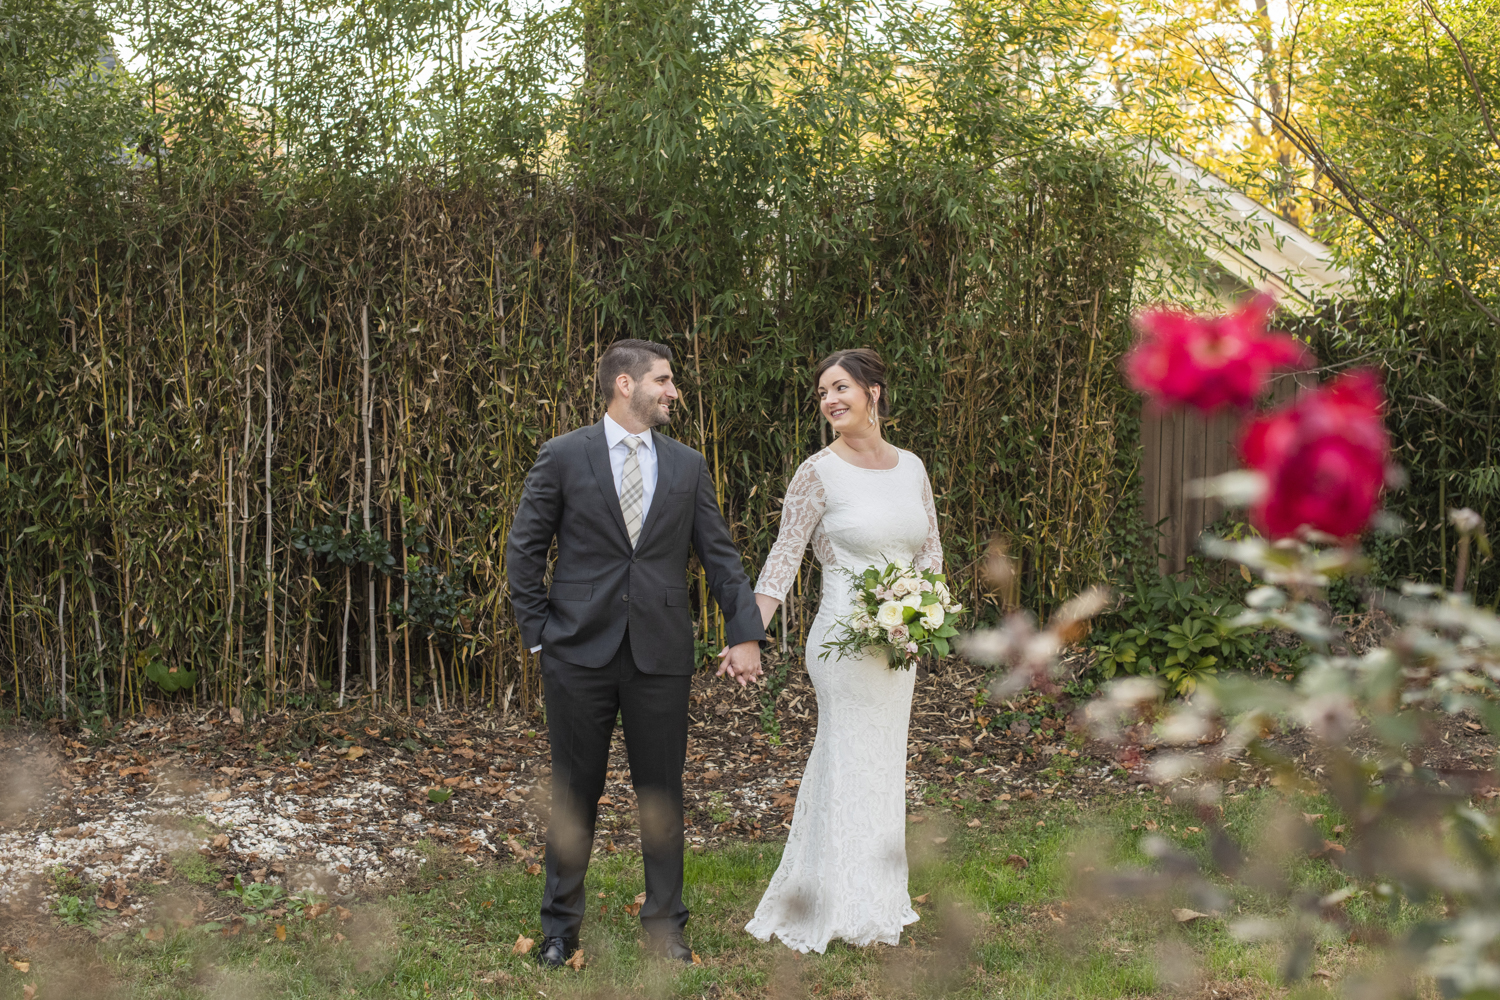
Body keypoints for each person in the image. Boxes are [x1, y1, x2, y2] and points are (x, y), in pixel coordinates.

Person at [505, 338, 765, 967]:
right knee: (573, 794)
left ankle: (666, 928)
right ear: (626, 384)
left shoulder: (687, 466)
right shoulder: (564, 455)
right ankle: (560, 929)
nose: (673, 391)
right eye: (664, 380)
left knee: (661, 794)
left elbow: (721, 558)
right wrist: (541, 635)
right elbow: (523, 550)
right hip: (576, 654)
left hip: (660, 655)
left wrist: (745, 632)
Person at [744, 347, 943, 954]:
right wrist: (749, 632)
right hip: (841, 640)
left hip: (898, 643)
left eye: (841, 388)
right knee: (848, 753)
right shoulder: (817, 472)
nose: (830, 400)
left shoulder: (911, 468)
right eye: (823, 393)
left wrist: (922, 613)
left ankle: (875, 898)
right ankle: (829, 903)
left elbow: (929, 551)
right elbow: (784, 557)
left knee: (882, 764)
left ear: (873, 393)